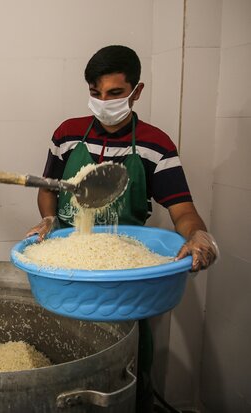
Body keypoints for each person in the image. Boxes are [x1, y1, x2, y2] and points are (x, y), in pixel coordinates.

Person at [26, 45, 219, 412]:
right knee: (62, 370)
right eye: (95, 94)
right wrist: (49, 219)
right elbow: (48, 189)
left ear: (136, 91)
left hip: (123, 277)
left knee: (124, 373)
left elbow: (183, 212)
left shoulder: (155, 146)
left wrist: (197, 234)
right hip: (68, 269)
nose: (103, 102)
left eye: (114, 93)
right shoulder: (67, 134)